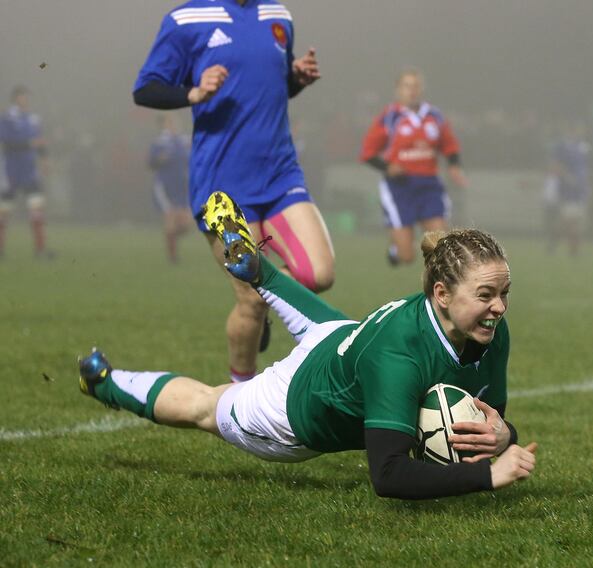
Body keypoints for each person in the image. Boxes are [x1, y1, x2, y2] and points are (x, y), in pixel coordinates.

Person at [78, 192, 537, 500]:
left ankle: (259, 270)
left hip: (341, 337)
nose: (499, 307)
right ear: (441, 294)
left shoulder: (489, 330)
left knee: (324, 322)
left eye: (504, 292)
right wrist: (487, 475)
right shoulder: (399, 355)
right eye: (485, 295)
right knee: (205, 405)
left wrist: (505, 434)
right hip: (298, 403)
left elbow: (488, 417)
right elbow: (389, 474)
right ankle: (102, 381)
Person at [133, 0, 335, 381]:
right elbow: (146, 89)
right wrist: (192, 93)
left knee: (320, 273)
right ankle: (240, 393)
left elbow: (270, 85)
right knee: (250, 301)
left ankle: (269, 297)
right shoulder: (186, 19)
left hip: (280, 173)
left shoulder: (278, 15)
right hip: (221, 186)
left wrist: (295, 78)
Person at [360, 68, 468, 267]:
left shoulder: (434, 116)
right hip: (399, 187)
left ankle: (437, 288)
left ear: (422, 89)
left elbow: (449, 144)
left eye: (416, 86)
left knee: (441, 246)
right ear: (398, 90)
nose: (412, 90)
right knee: (406, 256)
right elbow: (367, 152)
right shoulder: (390, 117)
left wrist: (454, 166)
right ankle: (396, 247)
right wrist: (388, 167)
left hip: (429, 185)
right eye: (407, 86)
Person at [0, 86, 52, 259]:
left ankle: (40, 250)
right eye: (22, 96)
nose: (25, 99)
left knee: (37, 208)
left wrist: (44, 160)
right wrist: (31, 144)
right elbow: (7, 144)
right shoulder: (8, 118)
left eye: (27, 96)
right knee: (4, 211)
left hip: (30, 171)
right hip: (12, 170)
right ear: (15, 98)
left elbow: (40, 142)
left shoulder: (33, 119)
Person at [148, 114, 193, 264]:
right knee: (170, 217)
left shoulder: (184, 141)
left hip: (182, 187)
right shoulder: (160, 143)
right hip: (165, 187)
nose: (174, 124)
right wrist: (161, 158)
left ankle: (170, 238)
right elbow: (151, 163)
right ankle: (173, 258)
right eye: (170, 122)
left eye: (175, 121)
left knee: (186, 225)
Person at [549, 121, 591, 256]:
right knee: (570, 221)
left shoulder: (583, 146)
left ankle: (555, 245)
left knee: (572, 221)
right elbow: (555, 165)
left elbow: (585, 166)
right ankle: (573, 251)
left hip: (580, 189)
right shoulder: (561, 146)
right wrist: (567, 177)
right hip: (568, 189)